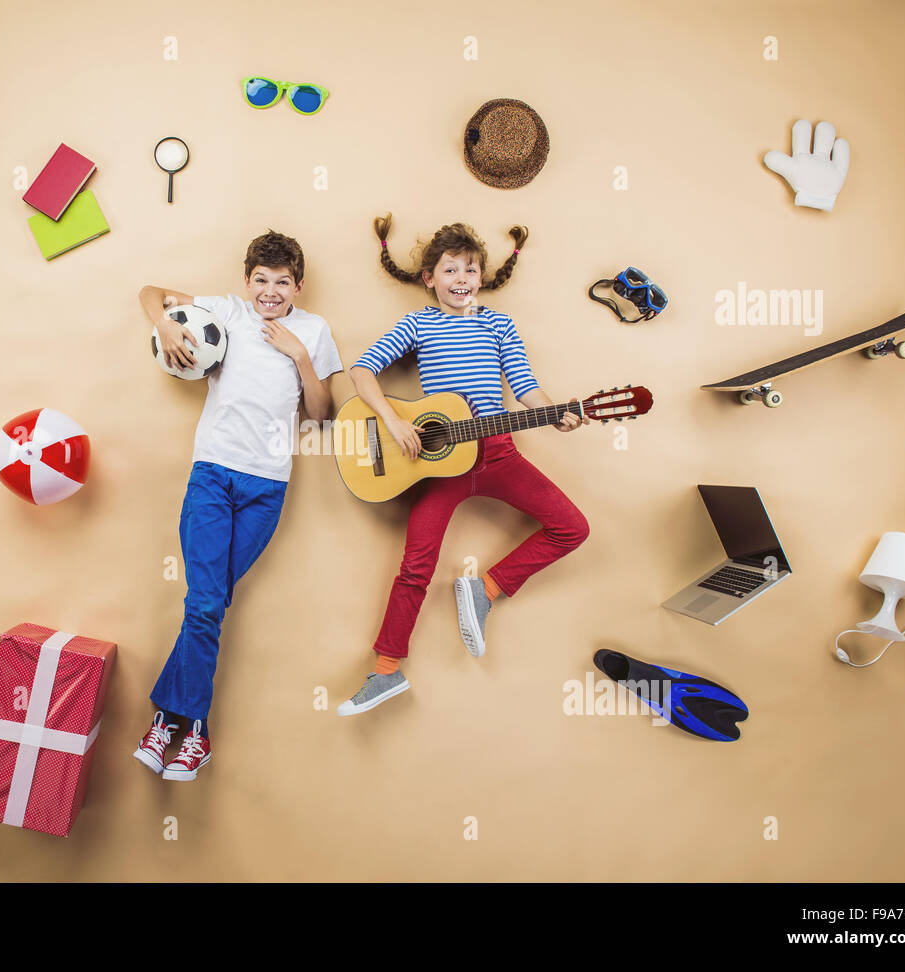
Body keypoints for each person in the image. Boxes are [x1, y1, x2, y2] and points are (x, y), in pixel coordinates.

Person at [338, 214, 590, 716]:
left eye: (470, 271)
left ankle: (487, 587)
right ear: (430, 278)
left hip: (497, 452)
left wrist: (556, 412)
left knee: (572, 527)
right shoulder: (417, 324)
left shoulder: (499, 324)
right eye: (450, 271)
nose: (461, 281)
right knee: (415, 567)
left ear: (481, 278)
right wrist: (393, 422)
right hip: (439, 460)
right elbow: (362, 371)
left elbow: (524, 388)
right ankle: (384, 673)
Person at [134, 230, 343, 778]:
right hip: (211, 477)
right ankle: (192, 732)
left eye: (281, 282)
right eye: (260, 281)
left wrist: (300, 357)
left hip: (267, 488)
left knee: (207, 603)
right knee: (206, 604)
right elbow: (150, 291)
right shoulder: (225, 312)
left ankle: (165, 724)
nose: (270, 292)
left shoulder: (314, 330)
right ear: (246, 281)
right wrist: (162, 323)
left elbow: (322, 415)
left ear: (298, 285)